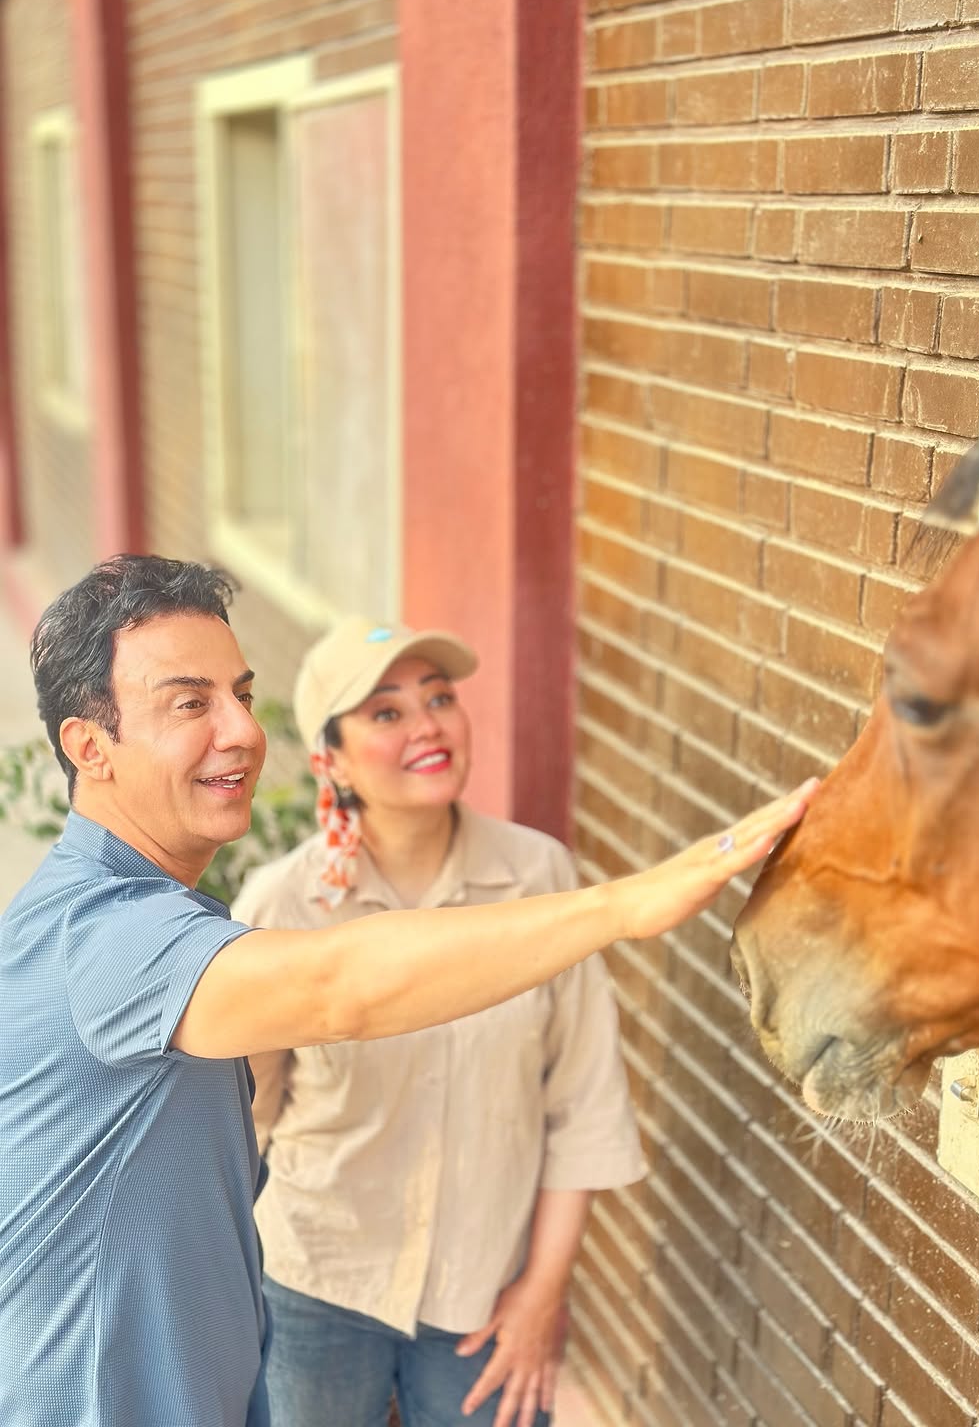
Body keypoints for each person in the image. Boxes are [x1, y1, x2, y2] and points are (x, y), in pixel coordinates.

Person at [0, 555, 817, 1427]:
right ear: (91, 747)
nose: (240, 729)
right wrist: (625, 905)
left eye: (241, 693)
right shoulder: (110, 934)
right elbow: (338, 989)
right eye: (191, 703)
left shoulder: (155, 911)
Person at [232, 616, 646, 1427]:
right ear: (333, 758)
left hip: (482, 1291)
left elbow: (584, 1104)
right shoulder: (282, 907)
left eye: (440, 698)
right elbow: (244, 1119)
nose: (427, 725)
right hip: (317, 1279)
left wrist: (542, 1295)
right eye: (386, 712)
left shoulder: (539, 880)